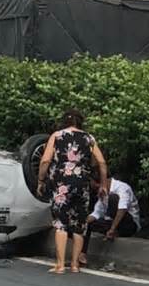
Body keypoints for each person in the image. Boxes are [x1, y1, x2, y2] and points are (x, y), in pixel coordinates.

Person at [37, 109, 108, 274]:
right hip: (82, 185)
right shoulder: (89, 138)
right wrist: (103, 184)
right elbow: (102, 163)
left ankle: (60, 265)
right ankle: (75, 265)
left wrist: (41, 180)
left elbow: (46, 160)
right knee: (79, 225)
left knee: (61, 223)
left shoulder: (57, 135)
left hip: (62, 184)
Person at [79, 173, 141, 266]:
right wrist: (82, 222)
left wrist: (112, 229)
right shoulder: (103, 192)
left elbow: (122, 208)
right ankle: (82, 254)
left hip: (128, 223)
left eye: (96, 187)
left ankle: (114, 231)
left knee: (113, 199)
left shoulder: (122, 187)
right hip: (111, 222)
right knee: (88, 224)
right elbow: (97, 213)